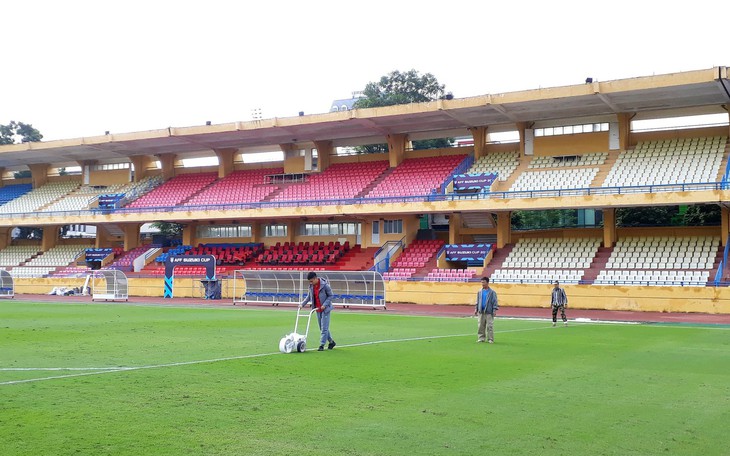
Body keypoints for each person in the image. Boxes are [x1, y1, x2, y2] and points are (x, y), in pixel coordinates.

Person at [300, 272, 336, 351]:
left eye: (311, 281)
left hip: (325, 309)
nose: (310, 283)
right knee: (322, 327)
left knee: (324, 328)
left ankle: (321, 345)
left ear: (315, 278)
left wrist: (325, 305)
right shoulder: (311, 287)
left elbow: (331, 296)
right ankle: (331, 342)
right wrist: (302, 304)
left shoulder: (325, 285)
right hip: (317, 309)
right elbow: (309, 297)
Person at [474, 276, 498, 343]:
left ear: (487, 282)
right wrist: (476, 309)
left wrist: (494, 310)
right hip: (481, 311)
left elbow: (495, 302)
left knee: (489, 326)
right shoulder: (480, 291)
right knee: (481, 326)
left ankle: (490, 339)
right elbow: (477, 301)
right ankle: (481, 338)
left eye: (484, 282)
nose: (482, 284)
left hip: (489, 312)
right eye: (481, 282)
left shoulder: (492, 292)